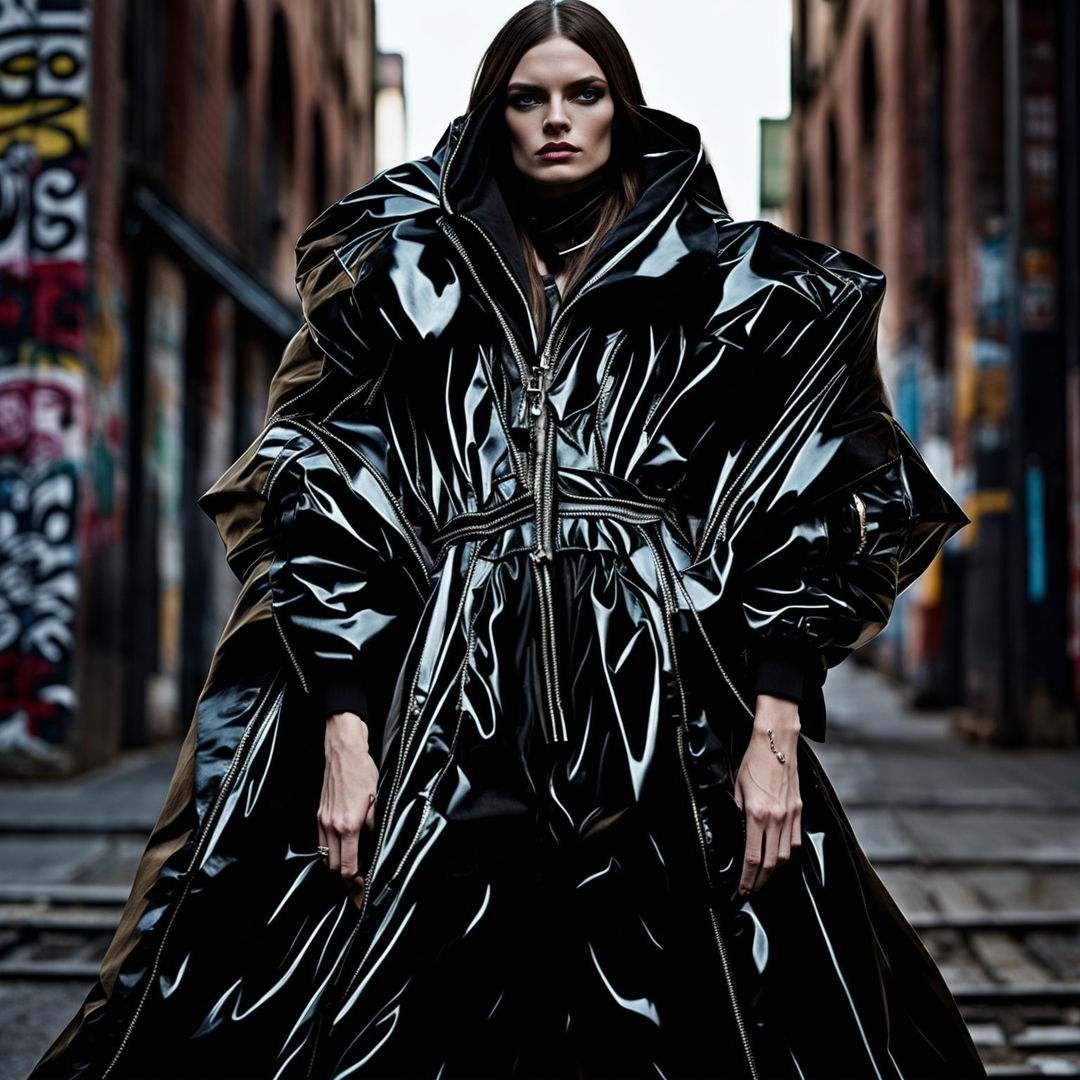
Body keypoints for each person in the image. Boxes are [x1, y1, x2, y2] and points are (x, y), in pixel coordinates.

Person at [29, 2, 988, 1078]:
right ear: (495, 112)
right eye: (528, 98)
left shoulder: (735, 286)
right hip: (448, 703)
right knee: (414, 1017)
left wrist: (774, 730)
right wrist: (345, 733)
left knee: (701, 1016)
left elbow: (824, 501)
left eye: (583, 94)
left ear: (621, 106)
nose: (557, 121)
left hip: (661, 711)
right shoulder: (403, 269)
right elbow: (321, 493)